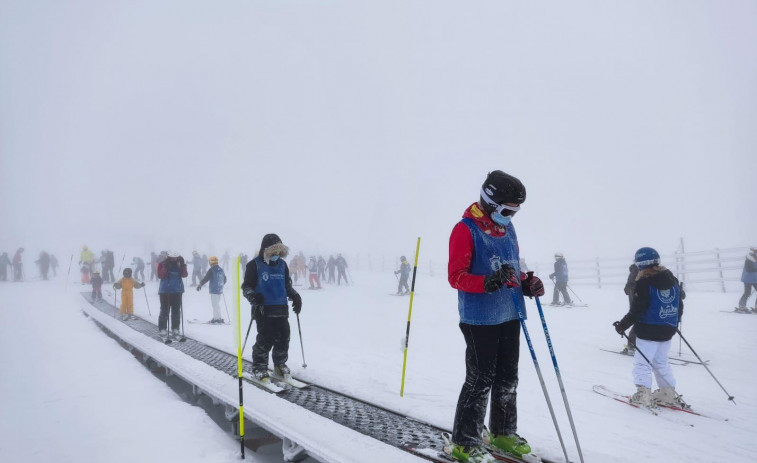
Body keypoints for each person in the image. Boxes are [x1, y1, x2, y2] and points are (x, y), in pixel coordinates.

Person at [446, 170, 544, 462]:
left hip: (510, 312)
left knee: (508, 378)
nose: (511, 216)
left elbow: (510, 268)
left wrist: (526, 283)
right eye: (506, 210)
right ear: (489, 202)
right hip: (480, 319)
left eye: (515, 211)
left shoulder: (507, 230)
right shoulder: (465, 229)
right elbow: (455, 277)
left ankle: (502, 432)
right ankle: (465, 441)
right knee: (480, 380)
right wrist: (487, 282)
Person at [613, 247, 687, 410]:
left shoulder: (644, 283)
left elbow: (638, 308)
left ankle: (643, 393)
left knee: (642, 363)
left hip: (648, 329)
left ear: (640, 264)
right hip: (667, 328)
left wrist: (622, 325)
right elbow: (678, 304)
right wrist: (675, 321)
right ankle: (668, 393)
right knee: (661, 362)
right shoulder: (671, 279)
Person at [242, 234, 302, 381]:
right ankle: (260, 367)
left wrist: (295, 296)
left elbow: (286, 285)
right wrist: (253, 296)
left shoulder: (282, 265)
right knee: (265, 339)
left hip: (281, 308)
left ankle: (279, 364)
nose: (276, 255)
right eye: (273, 252)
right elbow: (246, 286)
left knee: (284, 337)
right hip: (263, 309)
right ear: (265, 250)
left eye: (278, 252)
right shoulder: (254, 265)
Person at [157, 251, 188, 338]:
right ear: (168, 257)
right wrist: (165, 267)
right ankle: (162, 329)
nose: (174, 259)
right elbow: (160, 275)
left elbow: (184, 275)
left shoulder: (179, 264)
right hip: (165, 291)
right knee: (164, 311)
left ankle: (175, 328)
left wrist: (183, 265)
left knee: (176, 311)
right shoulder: (162, 264)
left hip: (177, 291)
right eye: (172, 257)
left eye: (176, 257)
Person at [197, 255, 227, 323]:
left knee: (215, 305)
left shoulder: (212, 270)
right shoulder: (221, 269)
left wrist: (200, 284)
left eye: (209, 262)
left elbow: (206, 278)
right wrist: (220, 285)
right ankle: (218, 317)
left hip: (214, 290)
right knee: (217, 304)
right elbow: (225, 279)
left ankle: (217, 319)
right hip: (219, 290)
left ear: (211, 262)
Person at [621, 261, 640, 354]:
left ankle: (634, 344)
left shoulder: (637, 269)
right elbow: (627, 289)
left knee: (640, 320)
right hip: (637, 301)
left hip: (639, 300)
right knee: (638, 320)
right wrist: (633, 290)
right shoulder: (636, 270)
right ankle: (631, 345)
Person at [736, 247, 757, 313]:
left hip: (754, 278)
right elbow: (748, 269)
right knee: (747, 292)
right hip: (748, 278)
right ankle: (741, 307)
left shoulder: (755, 258)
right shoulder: (749, 259)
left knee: (747, 292)